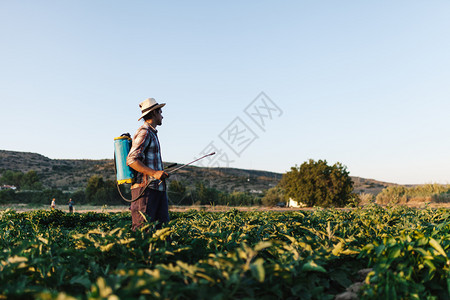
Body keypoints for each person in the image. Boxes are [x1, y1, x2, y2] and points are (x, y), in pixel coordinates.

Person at [126, 98, 170, 230]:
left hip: (157, 190)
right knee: (143, 232)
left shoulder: (152, 133)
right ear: (154, 113)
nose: (162, 115)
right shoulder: (144, 132)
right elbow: (131, 160)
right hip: (145, 191)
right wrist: (155, 173)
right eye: (160, 111)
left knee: (162, 232)